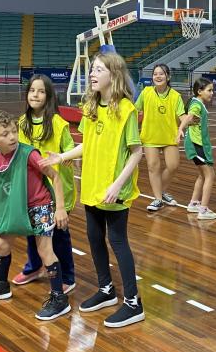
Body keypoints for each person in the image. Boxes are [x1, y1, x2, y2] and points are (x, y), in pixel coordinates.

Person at [43, 52, 146, 328]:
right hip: (92, 185)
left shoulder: (126, 109)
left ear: (113, 74)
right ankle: (106, 290)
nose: (92, 74)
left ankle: (134, 303)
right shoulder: (91, 107)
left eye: (98, 69)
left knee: (117, 241)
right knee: (94, 238)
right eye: (92, 70)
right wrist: (62, 158)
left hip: (115, 190)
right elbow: (87, 144)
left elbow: (137, 152)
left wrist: (117, 184)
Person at [0, 110, 71, 322]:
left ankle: (59, 298)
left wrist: (60, 207)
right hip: (17, 207)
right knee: (1, 245)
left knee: (45, 250)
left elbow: (55, 176)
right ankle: (1, 285)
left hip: (41, 205)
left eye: (14, 132)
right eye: (5, 134)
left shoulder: (29, 155)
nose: (12, 137)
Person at [11, 74, 76, 293]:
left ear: (48, 96)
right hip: (33, 190)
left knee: (58, 234)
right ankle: (35, 267)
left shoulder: (59, 124)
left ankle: (67, 275)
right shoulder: (21, 123)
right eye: (32, 91)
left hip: (56, 190)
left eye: (40, 91)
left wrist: (62, 156)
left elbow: (70, 152)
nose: (35, 95)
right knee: (32, 230)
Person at [135, 63, 185, 211]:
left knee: (173, 166)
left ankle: (161, 191)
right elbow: (135, 109)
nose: (158, 76)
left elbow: (182, 115)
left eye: (161, 74)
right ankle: (157, 199)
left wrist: (185, 124)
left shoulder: (176, 96)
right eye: (155, 74)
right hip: (150, 136)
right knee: (153, 167)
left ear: (168, 77)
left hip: (169, 137)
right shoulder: (146, 92)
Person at [178, 77, 216, 220]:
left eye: (212, 90)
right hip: (197, 144)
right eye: (209, 90)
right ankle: (204, 210)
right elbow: (189, 117)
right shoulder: (197, 105)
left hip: (196, 144)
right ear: (200, 91)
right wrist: (180, 129)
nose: (212, 93)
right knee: (210, 175)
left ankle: (194, 203)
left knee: (202, 175)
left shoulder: (198, 103)